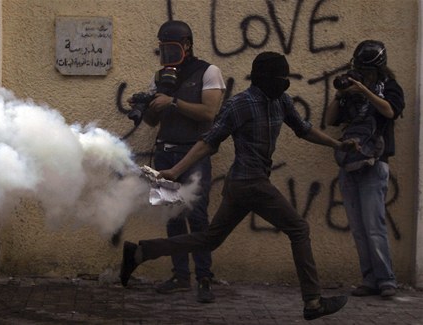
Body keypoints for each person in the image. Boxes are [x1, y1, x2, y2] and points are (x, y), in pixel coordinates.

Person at [121, 51, 353, 321]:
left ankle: (139, 252)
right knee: (299, 229)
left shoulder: (281, 101)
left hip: (244, 186)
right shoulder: (240, 104)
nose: (284, 83)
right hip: (249, 182)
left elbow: (303, 129)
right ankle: (313, 301)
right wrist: (175, 170)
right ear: (263, 78)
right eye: (280, 77)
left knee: (210, 239)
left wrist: (337, 144)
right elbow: (208, 141)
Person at [130, 20, 226, 303]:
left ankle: (204, 277)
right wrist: (147, 106)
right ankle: (180, 276)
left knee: (197, 217)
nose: (167, 53)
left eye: (171, 47)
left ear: (186, 44)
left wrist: (172, 102)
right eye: (163, 48)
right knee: (172, 217)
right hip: (165, 152)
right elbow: (151, 122)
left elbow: (209, 113)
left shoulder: (208, 72)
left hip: (193, 153)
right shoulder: (160, 77)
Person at [326, 40, 405, 298]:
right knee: (359, 228)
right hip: (350, 161)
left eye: (366, 71)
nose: (362, 74)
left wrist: (366, 90)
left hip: (375, 163)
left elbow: (390, 111)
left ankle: (386, 280)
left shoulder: (390, 87)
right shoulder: (351, 89)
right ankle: (369, 280)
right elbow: (328, 120)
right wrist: (341, 94)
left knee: (374, 226)